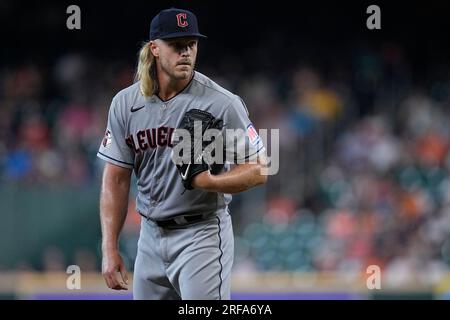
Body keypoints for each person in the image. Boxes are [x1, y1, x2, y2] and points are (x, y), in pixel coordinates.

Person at [97, 7, 267, 300]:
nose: (186, 52)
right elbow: (115, 178)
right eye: (176, 45)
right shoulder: (125, 103)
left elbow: (260, 168)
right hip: (149, 235)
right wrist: (109, 248)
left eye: (191, 44)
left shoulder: (221, 103)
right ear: (155, 49)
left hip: (200, 233)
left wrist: (212, 183)